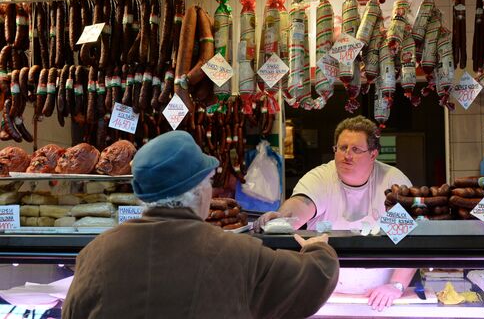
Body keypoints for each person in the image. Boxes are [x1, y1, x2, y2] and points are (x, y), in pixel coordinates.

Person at [63, 131, 339, 319]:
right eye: (208, 182)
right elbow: (314, 280)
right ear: (198, 191)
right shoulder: (238, 253)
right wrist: (319, 249)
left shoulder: (95, 253)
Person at [254, 115, 416, 312]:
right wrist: (282, 219)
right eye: (342, 148)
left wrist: (396, 285)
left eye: (356, 149)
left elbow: (409, 240)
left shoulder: (392, 182)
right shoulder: (320, 177)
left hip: (381, 298)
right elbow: (301, 205)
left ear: (373, 154)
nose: (347, 155)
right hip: (324, 292)